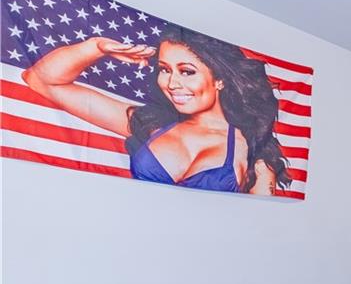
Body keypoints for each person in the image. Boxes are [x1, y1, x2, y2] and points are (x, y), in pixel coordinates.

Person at [22, 26, 291, 195]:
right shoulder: (151, 124)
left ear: (220, 80)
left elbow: (256, 226)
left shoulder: (253, 150)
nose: (172, 83)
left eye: (186, 71)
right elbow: (41, 80)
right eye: (164, 70)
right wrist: (96, 47)